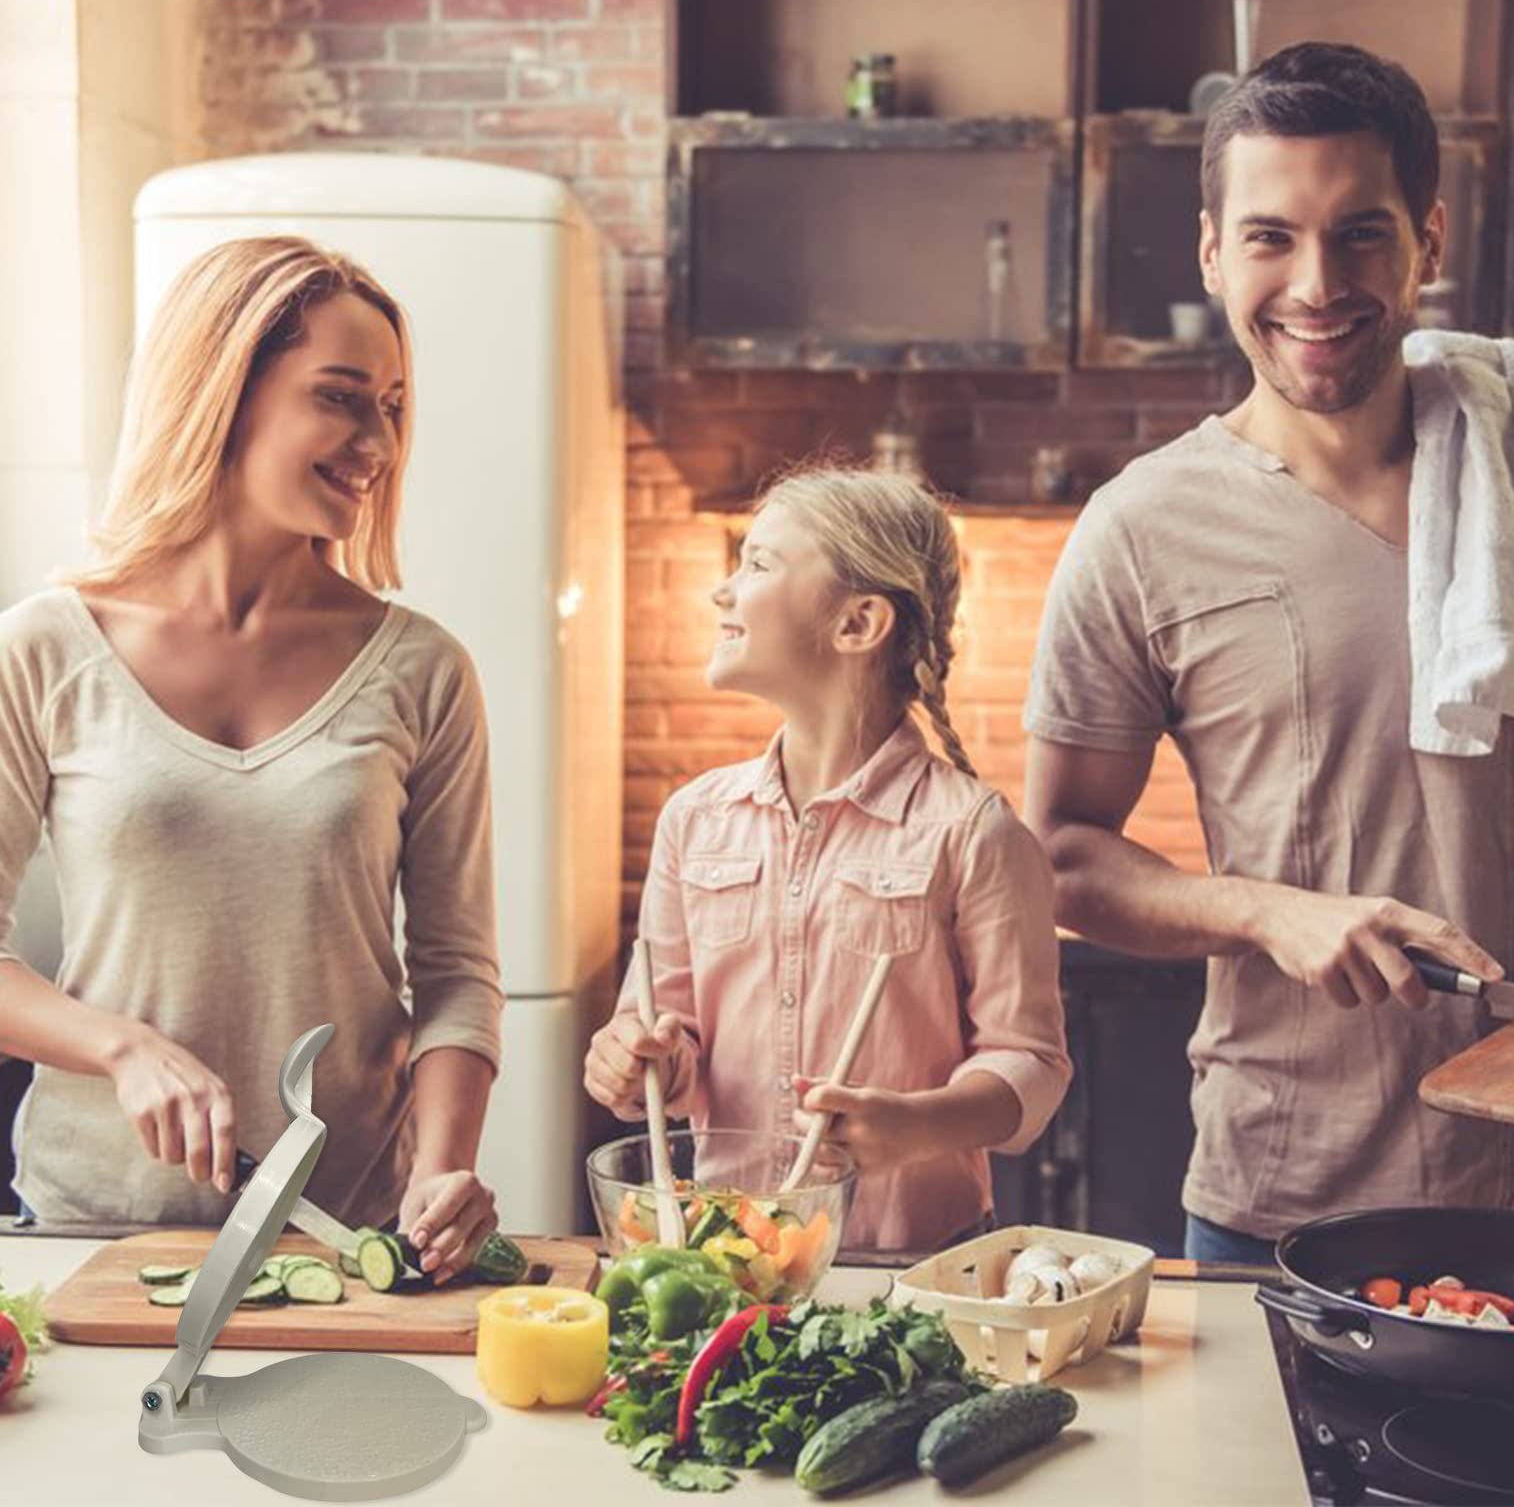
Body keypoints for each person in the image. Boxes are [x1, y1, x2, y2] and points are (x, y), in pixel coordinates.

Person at [1022, 42, 1514, 1265]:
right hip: (1286, 1186)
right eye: (1271, 236)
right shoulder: (1142, 527)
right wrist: (1266, 912)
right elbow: (1061, 859)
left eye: (1362, 235)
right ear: (1212, 254)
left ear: (1428, 242)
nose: (1316, 283)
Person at [0, 237, 504, 1283]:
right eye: (341, 397)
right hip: (93, 1229)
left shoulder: (424, 669)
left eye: (395, 406)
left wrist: (443, 1168)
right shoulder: (44, 647)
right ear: (224, 391)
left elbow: (457, 975)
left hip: (348, 1234)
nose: (379, 441)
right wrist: (121, 1046)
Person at [583, 467, 1070, 1249]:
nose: (723, 591)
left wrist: (916, 1125)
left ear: (858, 623)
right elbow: (667, 1041)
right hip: (728, 1250)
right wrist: (640, 1059)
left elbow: (1033, 1066)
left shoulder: (973, 832)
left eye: (760, 564)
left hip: (914, 1260)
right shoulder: (695, 821)